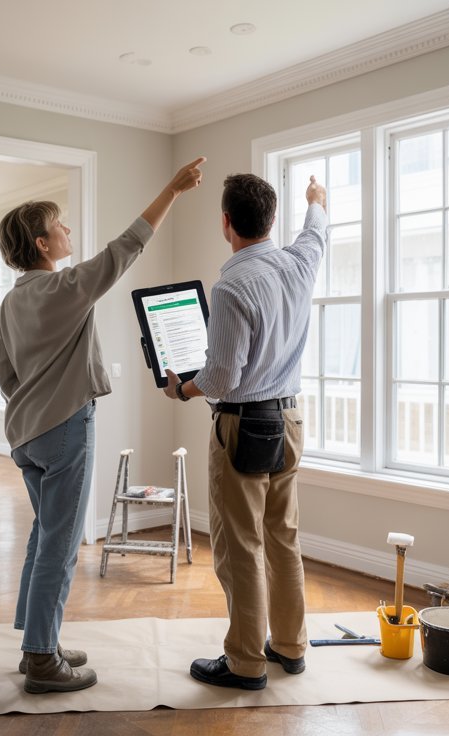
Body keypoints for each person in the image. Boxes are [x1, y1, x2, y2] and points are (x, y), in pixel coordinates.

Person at [0, 157, 204, 694]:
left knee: (44, 537)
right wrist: (173, 190)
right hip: (65, 430)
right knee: (61, 546)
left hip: (25, 436)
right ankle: (42, 658)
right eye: (59, 225)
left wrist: (36, 408)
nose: (66, 231)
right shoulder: (65, 288)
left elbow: (7, 378)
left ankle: (38, 642)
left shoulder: (9, 304)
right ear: (42, 244)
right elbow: (125, 248)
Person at [160, 172, 328, 690]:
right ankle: (290, 647)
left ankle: (245, 663)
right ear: (272, 219)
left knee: (240, 546)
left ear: (226, 223)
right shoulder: (300, 262)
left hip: (242, 426)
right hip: (291, 420)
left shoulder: (232, 285)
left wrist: (181, 389)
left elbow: (222, 378)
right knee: (283, 538)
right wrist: (317, 199)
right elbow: (317, 229)